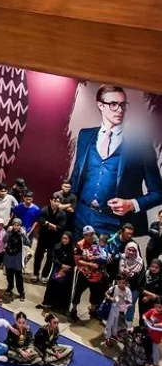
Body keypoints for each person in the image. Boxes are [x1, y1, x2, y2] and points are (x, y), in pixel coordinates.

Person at [70, 85, 162, 238]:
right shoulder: (85, 135)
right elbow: (76, 175)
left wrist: (132, 204)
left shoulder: (140, 145)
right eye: (113, 104)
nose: (120, 110)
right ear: (100, 105)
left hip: (114, 224)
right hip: (81, 216)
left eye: (123, 104)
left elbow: (158, 193)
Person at [32, 195, 66, 284]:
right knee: (38, 256)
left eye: (58, 201)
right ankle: (35, 274)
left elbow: (61, 228)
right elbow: (42, 223)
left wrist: (49, 224)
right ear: (51, 200)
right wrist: (54, 226)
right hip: (43, 237)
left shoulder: (62, 214)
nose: (56, 203)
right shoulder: (44, 210)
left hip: (54, 239)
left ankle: (44, 276)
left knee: (50, 257)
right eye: (54, 201)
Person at [37, 231, 75, 312]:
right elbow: (53, 258)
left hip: (67, 272)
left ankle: (59, 307)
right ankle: (47, 303)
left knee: (62, 289)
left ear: (70, 239)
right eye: (63, 238)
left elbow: (74, 262)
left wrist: (66, 268)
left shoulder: (73, 250)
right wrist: (61, 265)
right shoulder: (57, 246)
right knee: (52, 286)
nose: (64, 240)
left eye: (66, 238)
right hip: (57, 269)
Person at [2, 218, 29, 301]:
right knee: (9, 275)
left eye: (18, 225)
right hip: (9, 256)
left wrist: (24, 234)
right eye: (14, 225)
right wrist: (7, 232)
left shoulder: (22, 234)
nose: (16, 227)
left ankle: (21, 293)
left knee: (18, 277)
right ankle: (10, 287)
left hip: (17, 258)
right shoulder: (10, 232)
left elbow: (28, 243)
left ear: (20, 226)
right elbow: (4, 240)